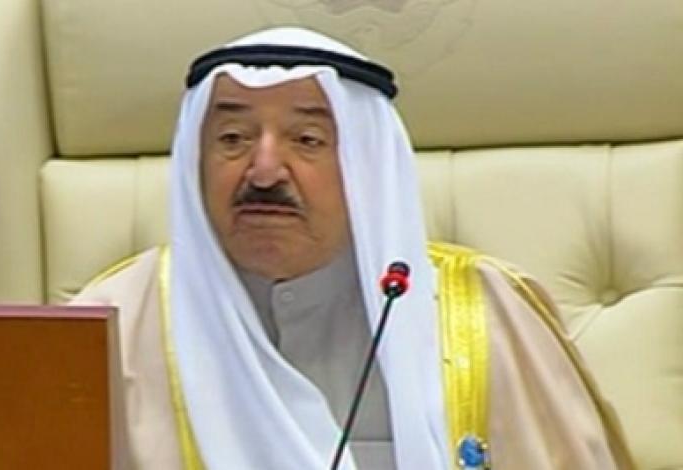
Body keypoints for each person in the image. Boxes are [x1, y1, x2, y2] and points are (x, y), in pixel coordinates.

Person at [73, 27, 635, 470]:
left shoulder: (482, 312)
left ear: (368, 166)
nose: (264, 171)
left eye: (307, 140)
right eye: (232, 139)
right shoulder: (113, 323)